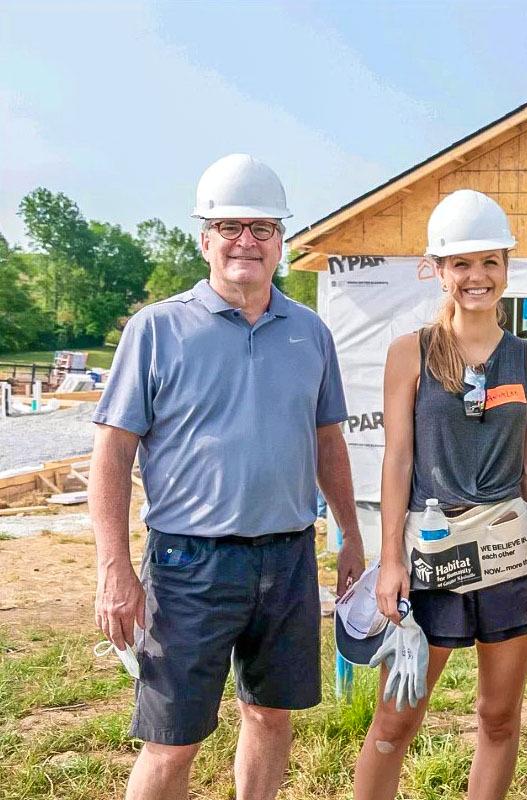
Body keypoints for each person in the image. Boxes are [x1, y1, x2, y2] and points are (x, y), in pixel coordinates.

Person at [91, 153, 365, 800]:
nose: (247, 241)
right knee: (172, 740)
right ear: (204, 238)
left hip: (289, 558)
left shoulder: (311, 333)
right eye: (231, 226)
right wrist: (114, 568)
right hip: (189, 564)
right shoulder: (156, 330)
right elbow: (111, 455)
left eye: (263, 228)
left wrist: (350, 534)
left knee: (270, 717)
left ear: (282, 243)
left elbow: (328, 443)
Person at [352, 190, 527, 800]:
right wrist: (390, 562)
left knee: (499, 718)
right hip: (431, 558)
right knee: (397, 717)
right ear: (439, 270)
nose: (476, 277)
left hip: (509, 557)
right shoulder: (408, 354)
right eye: (461, 264)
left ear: (506, 268)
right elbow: (398, 461)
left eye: (489, 262)